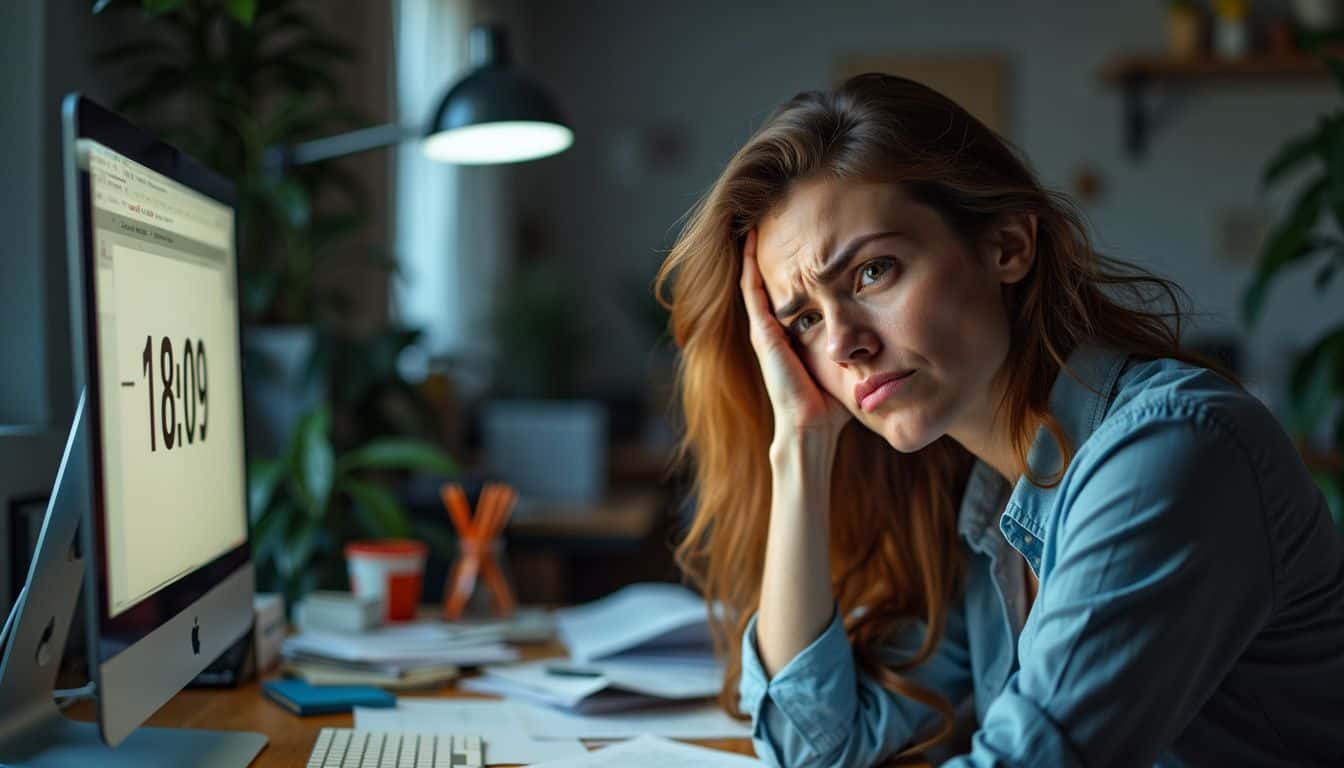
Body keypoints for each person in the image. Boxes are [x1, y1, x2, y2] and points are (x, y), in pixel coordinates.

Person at [653, 73, 1344, 767]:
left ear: (1008, 245)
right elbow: (814, 751)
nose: (841, 345)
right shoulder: (986, 503)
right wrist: (800, 442)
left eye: (872, 272)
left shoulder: (1170, 451)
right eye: (802, 319)